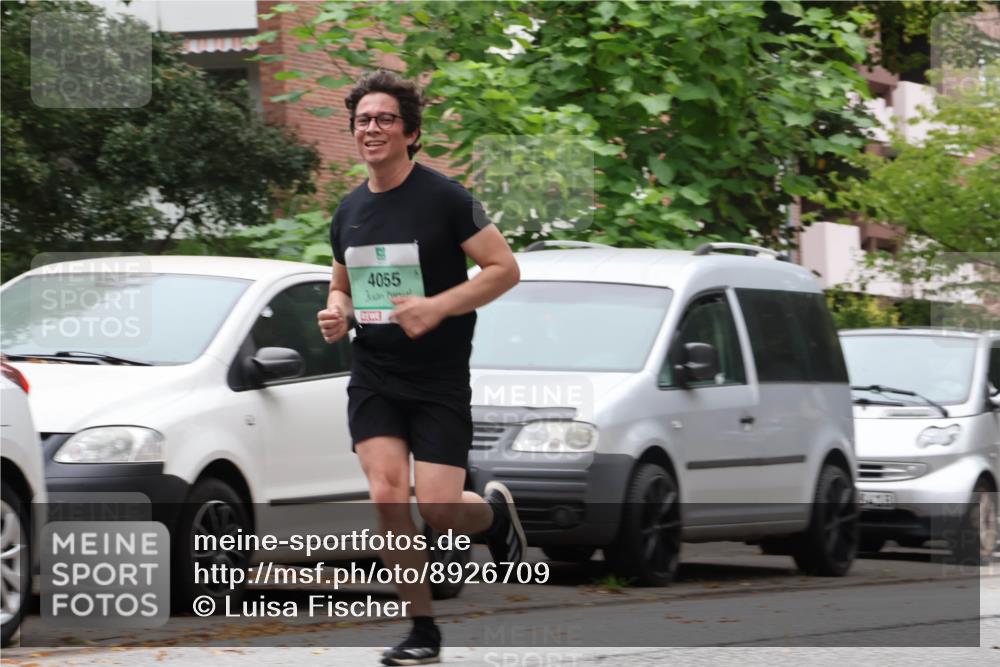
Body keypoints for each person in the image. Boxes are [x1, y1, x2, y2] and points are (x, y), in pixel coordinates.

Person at [317, 69, 525, 666]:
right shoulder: (350, 209)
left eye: (385, 119)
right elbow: (343, 284)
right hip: (375, 372)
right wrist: (337, 313)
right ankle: (422, 628)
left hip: (436, 378)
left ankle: (493, 516)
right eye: (363, 120)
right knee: (387, 495)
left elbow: (503, 269)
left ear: (410, 132)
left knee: (438, 509)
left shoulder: (446, 199)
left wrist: (436, 306)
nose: (372, 128)